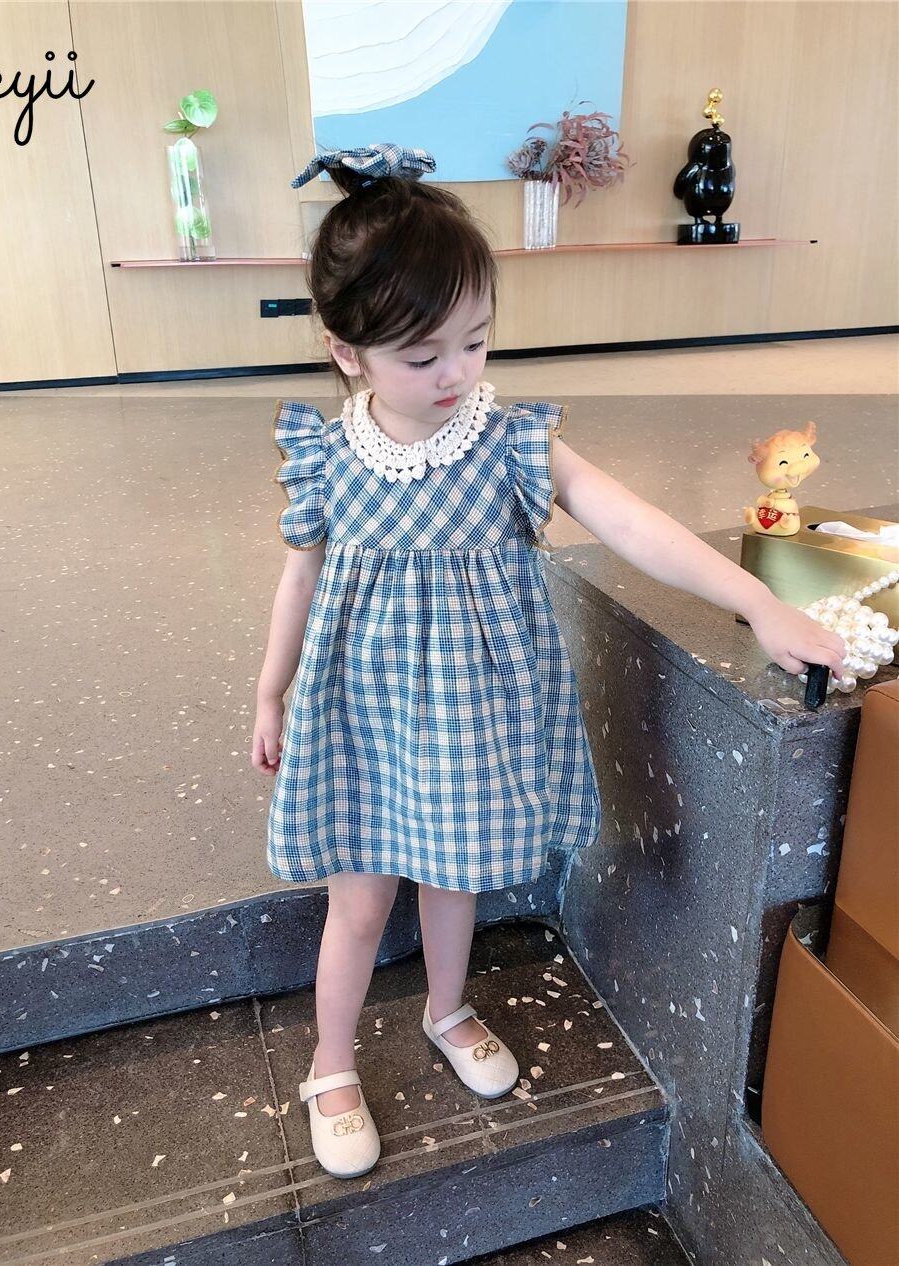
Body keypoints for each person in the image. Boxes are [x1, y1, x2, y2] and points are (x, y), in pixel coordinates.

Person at [250, 143, 847, 1180]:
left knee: (453, 876)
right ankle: (329, 1064)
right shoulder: (328, 457)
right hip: (360, 713)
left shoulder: (509, 441)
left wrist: (755, 601)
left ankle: (446, 1009)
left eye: (475, 342)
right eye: (421, 355)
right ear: (346, 351)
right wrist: (270, 691)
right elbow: (298, 580)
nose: (455, 374)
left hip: (469, 716)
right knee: (359, 902)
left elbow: (630, 521)